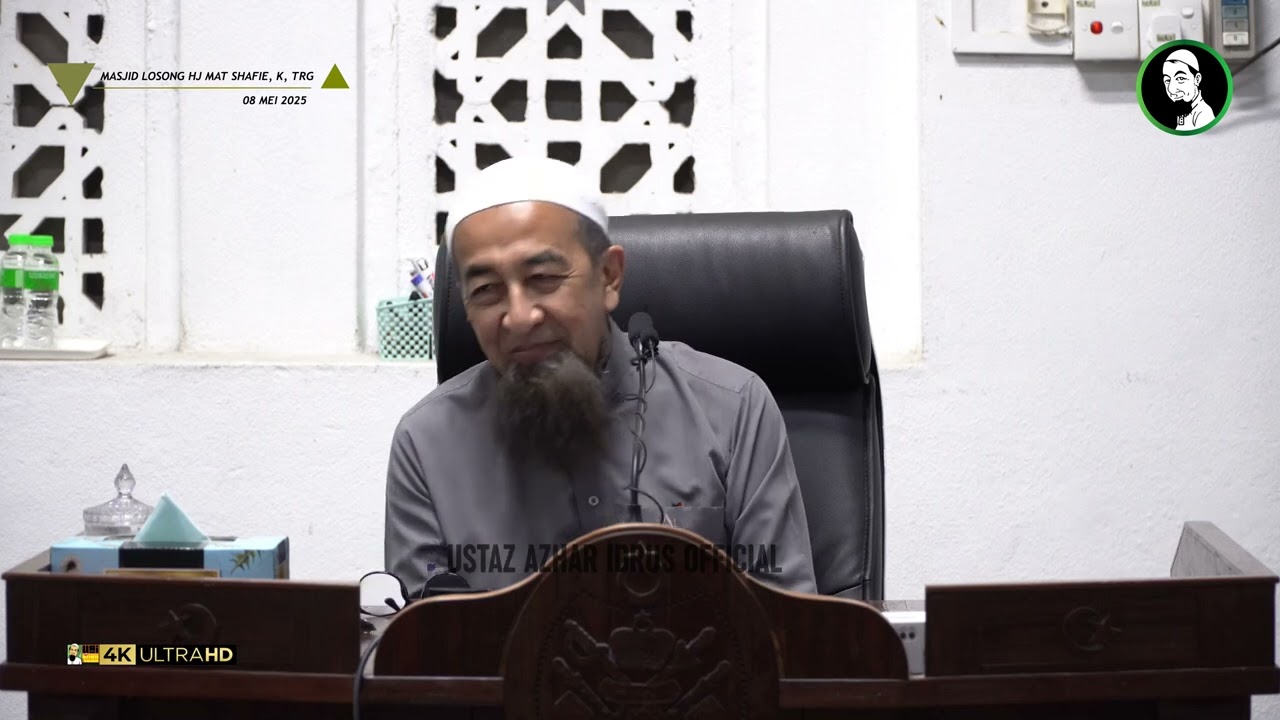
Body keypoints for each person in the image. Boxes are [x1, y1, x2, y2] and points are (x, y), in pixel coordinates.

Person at [383, 156, 817, 595]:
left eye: (543, 278)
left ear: (609, 277)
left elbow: (790, 629)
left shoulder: (734, 408)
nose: (518, 317)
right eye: (485, 290)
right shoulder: (426, 444)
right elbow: (425, 650)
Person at [1163, 48, 1215, 131]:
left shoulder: (1203, 113)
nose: (1171, 89)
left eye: (1180, 78)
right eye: (1167, 80)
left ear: (1197, 79)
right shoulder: (1182, 111)